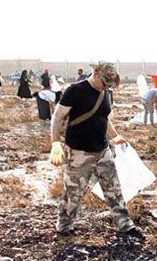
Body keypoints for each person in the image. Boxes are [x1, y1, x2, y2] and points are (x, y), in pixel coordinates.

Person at [49, 62, 142, 239]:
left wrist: (115, 136)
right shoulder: (75, 90)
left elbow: (104, 117)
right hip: (79, 152)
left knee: (113, 189)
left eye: (109, 85)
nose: (106, 88)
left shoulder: (105, 92)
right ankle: (64, 226)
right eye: (105, 83)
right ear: (96, 74)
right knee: (73, 192)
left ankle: (124, 224)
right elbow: (58, 117)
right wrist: (55, 144)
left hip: (102, 149)